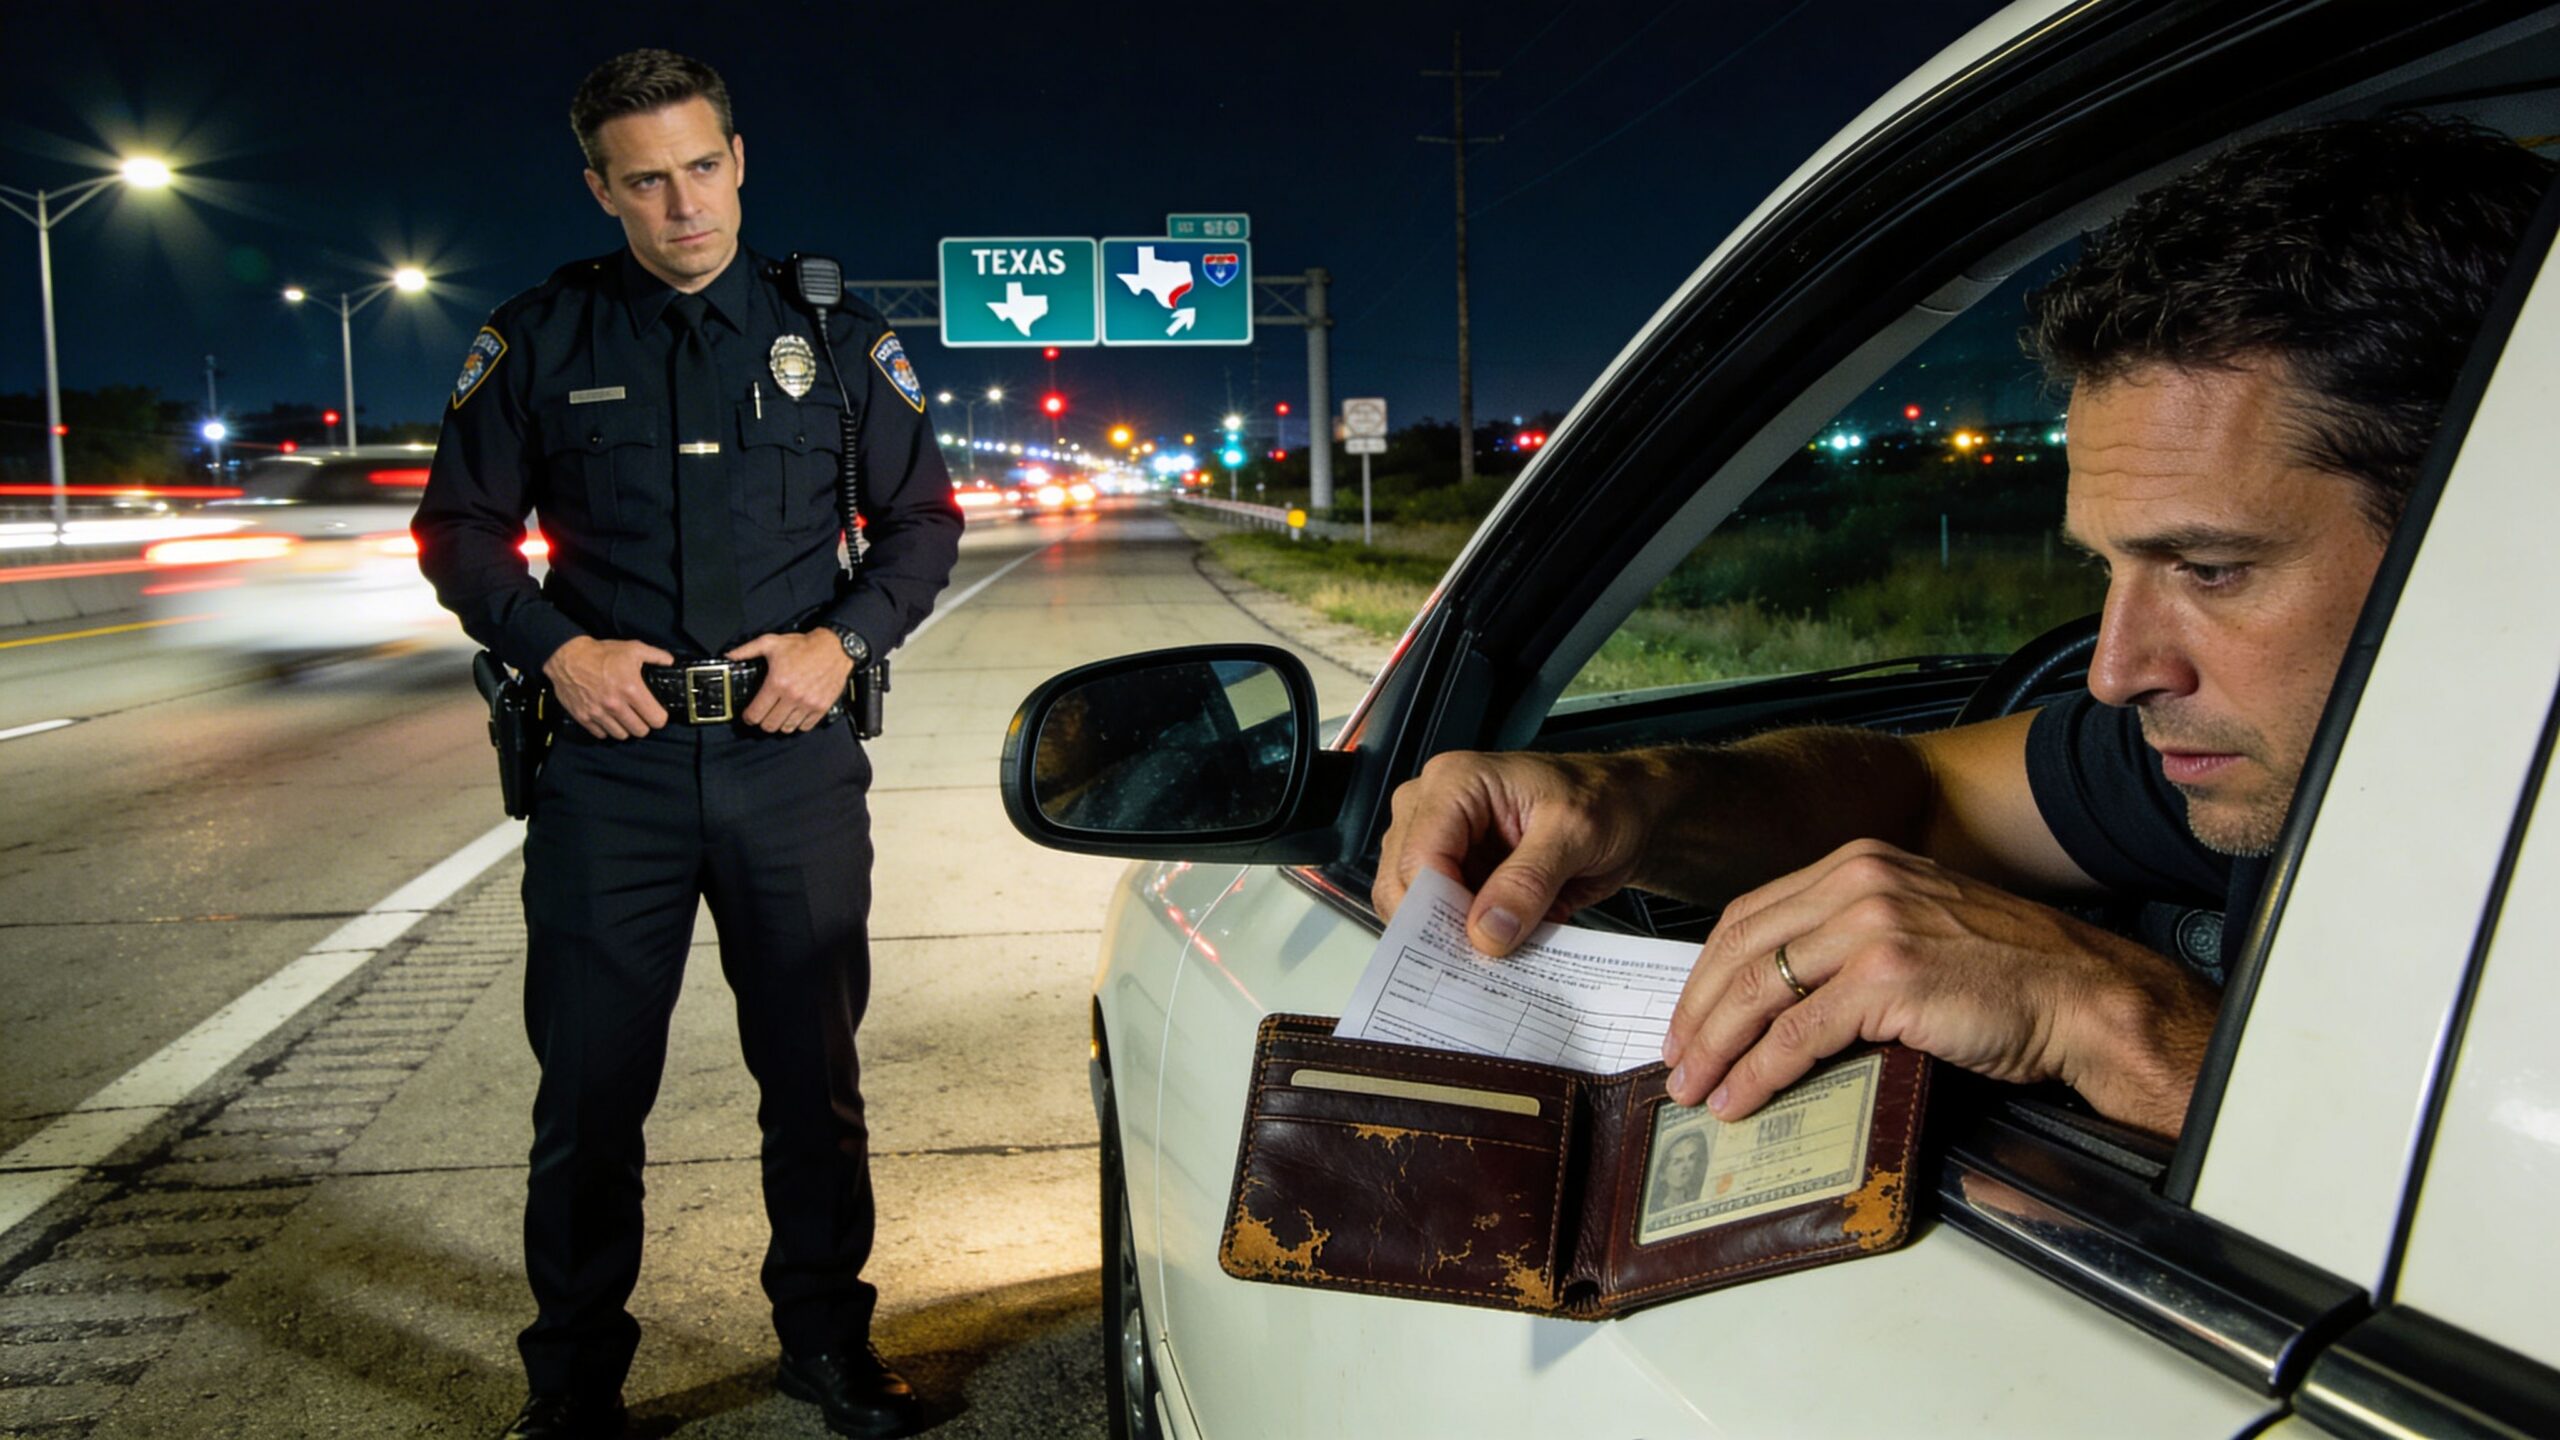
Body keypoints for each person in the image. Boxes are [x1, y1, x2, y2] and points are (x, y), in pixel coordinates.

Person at [1374, 116, 2553, 1142]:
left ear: (2490, 524)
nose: (2115, 670)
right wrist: (1631, 802)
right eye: (2107, 568)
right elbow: (1922, 793)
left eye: (2208, 568)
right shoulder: (2318, 745)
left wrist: (2126, 1024)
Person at [412, 49, 961, 1440]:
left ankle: (829, 1350)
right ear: (601, 188)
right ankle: (575, 1385)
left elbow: (922, 526)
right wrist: (557, 652)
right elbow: (458, 532)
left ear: (738, 158)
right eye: (644, 180)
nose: (683, 204)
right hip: (614, 770)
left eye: (701, 166)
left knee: (813, 1085)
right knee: (590, 1097)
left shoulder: (836, 338)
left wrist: (843, 645)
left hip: (792, 764)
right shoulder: (541, 337)